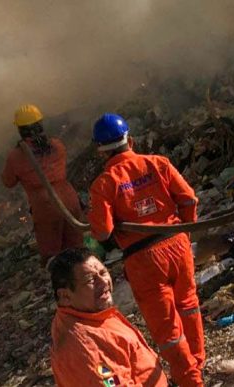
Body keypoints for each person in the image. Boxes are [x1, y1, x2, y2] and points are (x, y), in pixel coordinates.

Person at [87, 113, 205, 387]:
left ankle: (190, 381)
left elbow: (103, 232)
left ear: (99, 150)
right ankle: (196, 365)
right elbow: (189, 199)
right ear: (131, 139)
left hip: (143, 259)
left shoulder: (104, 184)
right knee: (188, 306)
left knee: (168, 330)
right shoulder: (158, 163)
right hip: (177, 245)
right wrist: (184, 232)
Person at [49, 247, 168, 386]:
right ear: (65, 296)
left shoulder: (89, 316)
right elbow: (113, 383)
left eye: (103, 272)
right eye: (90, 280)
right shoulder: (86, 345)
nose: (103, 282)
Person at [2, 104, 84, 263]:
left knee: (52, 254)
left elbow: (8, 181)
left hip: (46, 206)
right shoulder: (57, 145)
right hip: (69, 198)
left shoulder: (16, 156)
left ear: (20, 130)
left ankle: (63, 282)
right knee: (77, 247)